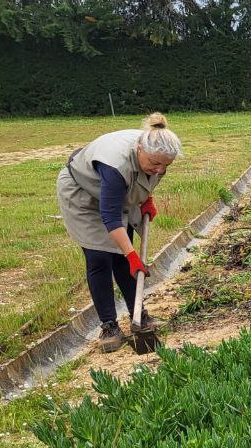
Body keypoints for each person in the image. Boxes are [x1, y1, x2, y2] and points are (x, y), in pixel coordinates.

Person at [57, 113, 180, 353]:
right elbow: (110, 218)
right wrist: (133, 256)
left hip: (117, 192)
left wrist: (147, 199)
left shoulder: (157, 153)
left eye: (166, 165)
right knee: (100, 258)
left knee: (124, 258)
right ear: (140, 150)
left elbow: (145, 179)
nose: (160, 170)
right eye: (156, 164)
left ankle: (139, 315)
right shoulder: (116, 166)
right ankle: (109, 327)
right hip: (83, 194)